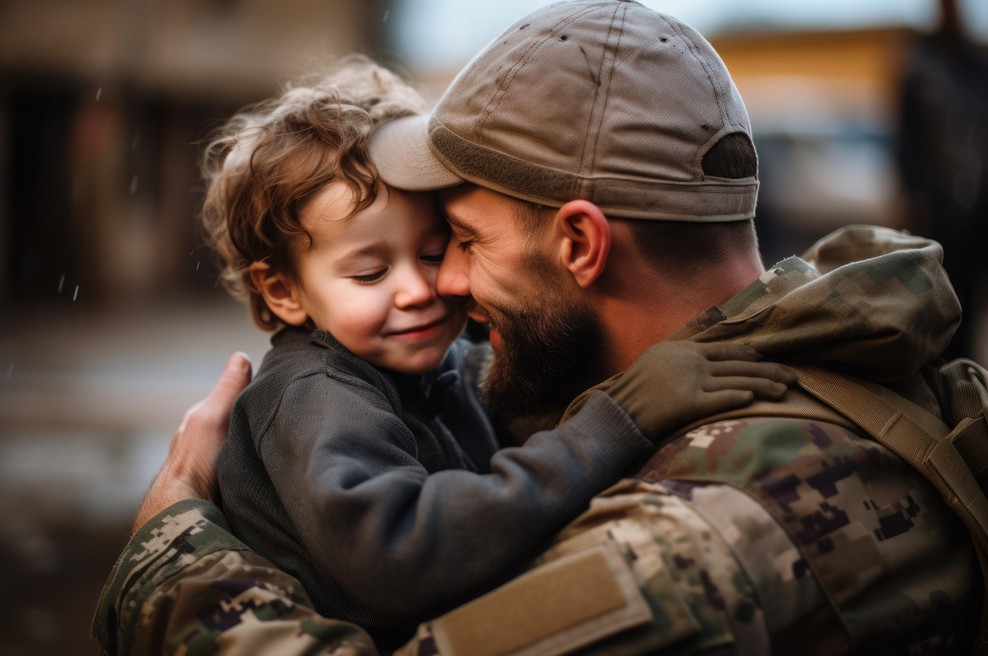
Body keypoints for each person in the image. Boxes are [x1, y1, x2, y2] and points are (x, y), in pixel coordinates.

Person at [94, 1, 979, 654]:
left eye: (462, 241)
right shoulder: (855, 361)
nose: (442, 284)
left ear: (582, 243)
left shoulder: (692, 546)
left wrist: (171, 549)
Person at [196, 57, 789, 652]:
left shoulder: (429, 360)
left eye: (436, 251)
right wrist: (610, 427)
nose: (421, 289)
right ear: (284, 290)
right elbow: (401, 551)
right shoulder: (314, 394)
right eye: (371, 272)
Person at [896, 0, 988, 361]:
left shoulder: (975, 65)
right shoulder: (921, 68)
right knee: (943, 291)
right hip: (939, 204)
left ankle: (965, 366)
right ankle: (945, 365)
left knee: (971, 294)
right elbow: (907, 141)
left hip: (977, 202)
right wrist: (913, 194)